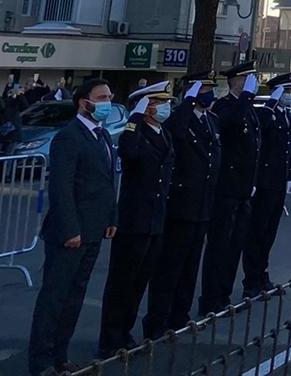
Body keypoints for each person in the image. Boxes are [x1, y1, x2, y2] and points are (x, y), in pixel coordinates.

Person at [27, 76, 117, 376]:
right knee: (55, 297)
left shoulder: (102, 136)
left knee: (75, 297)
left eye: (109, 96)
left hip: (94, 229)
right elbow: (62, 188)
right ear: (85, 102)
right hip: (71, 233)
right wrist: (70, 229)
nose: (108, 102)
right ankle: (42, 362)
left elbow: (107, 181)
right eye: (102, 97)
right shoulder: (69, 136)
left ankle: (60, 356)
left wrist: (111, 218)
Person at [97, 82, 175, 356]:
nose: (164, 107)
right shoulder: (136, 132)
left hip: (156, 218)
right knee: (122, 281)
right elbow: (128, 152)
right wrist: (133, 119)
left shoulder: (164, 133)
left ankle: (126, 332)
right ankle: (110, 337)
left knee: (140, 280)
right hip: (134, 218)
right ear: (146, 106)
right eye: (158, 102)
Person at [143, 76, 220, 337]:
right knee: (170, 267)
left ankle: (180, 315)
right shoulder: (180, 118)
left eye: (211, 90)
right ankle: (158, 321)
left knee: (190, 266)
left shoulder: (211, 121)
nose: (210, 95)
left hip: (202, 205)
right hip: (181, 204)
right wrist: (188, 102)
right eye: (205, 90)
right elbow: (176, 130)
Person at [199, 62, 260, 315]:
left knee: (235, 245)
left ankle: (224, 293)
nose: (251, 83)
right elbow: (231, 124)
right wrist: (244, 96)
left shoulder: (248, 108)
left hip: (244, 189)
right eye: (247, 79)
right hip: (226, 188)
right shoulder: (225, 106)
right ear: (236, 80)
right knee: (219, 246)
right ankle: (211, 297)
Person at [241, 74, 291, 298]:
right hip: (264, 182)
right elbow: (261, 131)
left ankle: (262, 276)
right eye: (285, 92)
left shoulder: (286, 116)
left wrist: (290, 175)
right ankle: (251, 281)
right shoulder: (266, 113)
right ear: (275, 92)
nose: (289, 96)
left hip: (279, 182)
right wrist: (271, 103)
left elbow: (288, 149)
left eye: (290, 92)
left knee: (269, 234)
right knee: (257, 232)